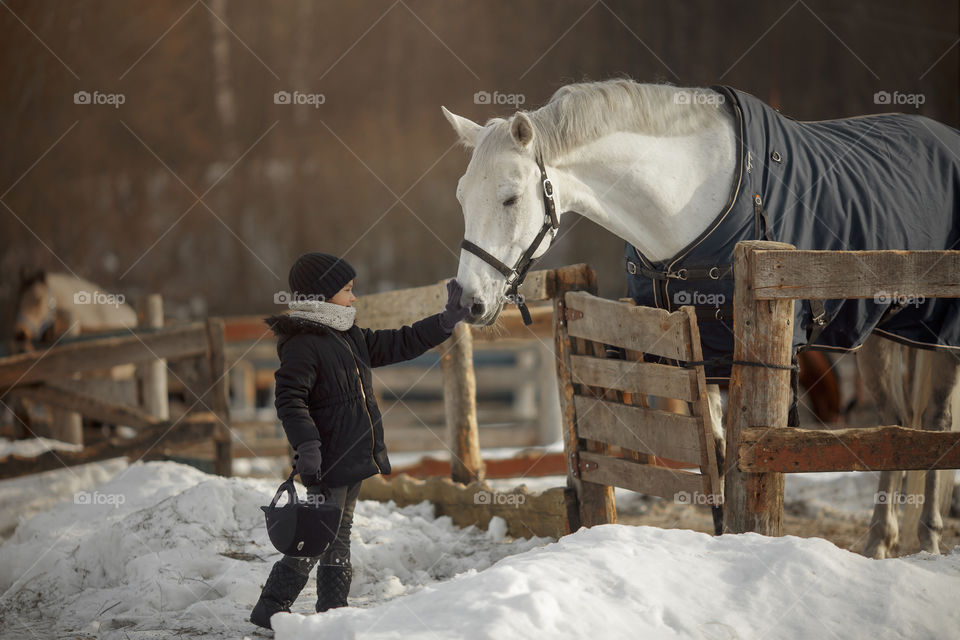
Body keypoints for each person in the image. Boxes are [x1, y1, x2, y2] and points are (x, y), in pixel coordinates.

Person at [250, 252, 470, 630]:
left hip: (351, 458)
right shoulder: (303, 343)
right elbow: (289, 399)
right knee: (313, 540)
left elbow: (401, 342)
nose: (354, 298)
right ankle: (269, 611)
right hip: (325, 461)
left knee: (337, 537)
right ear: (322, 295)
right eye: (347, 290)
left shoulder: (348, 334)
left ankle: (334, 615)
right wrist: (307, 445)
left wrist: (444, 322)